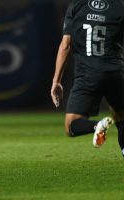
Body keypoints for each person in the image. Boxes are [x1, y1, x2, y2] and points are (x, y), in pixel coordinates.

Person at [51, 0, 124, 155]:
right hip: (116, 72)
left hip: (88, 74)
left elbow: (65, 46)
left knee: (71, 125)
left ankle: (97, 125)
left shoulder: (77, 5)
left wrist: (56, 81)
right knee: (121, 116)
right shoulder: (119, 7)